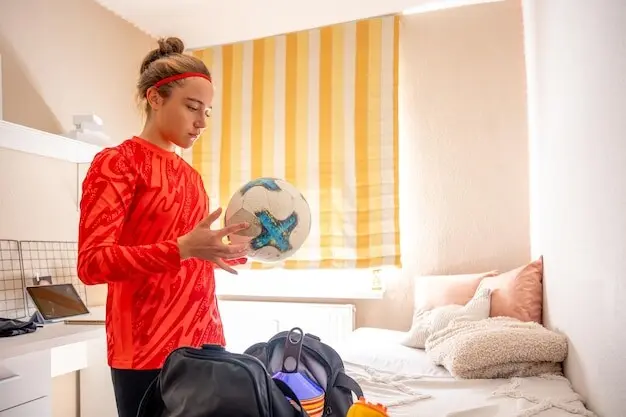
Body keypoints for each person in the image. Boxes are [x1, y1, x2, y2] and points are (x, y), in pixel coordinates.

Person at [77, 36, 249, 417]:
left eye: (207, 111)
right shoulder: (117, 163)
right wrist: (184, 248)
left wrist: (231, 249)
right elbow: (92, 263)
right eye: (192, 107)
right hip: (145, 353)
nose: (202, 122)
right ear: (155, 98)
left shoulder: (191, 178)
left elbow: (190, 256)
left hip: (205, 345)